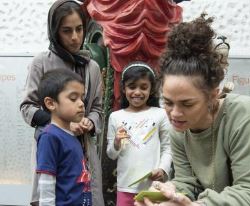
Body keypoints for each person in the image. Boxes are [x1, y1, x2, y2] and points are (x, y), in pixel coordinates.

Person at [134, 14, 250, 206]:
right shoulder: (179, 130)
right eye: (168, 102)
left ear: (213, 95)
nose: (174, 113)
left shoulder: (249, 117)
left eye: (187, 104)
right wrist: (168, 195)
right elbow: (187, 183)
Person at [19, 0, 104, 205]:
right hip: (53, 148)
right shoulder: (42, 62)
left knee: (85, 196)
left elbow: (97, 108)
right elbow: (27, 107)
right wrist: (62, 124)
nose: (75, 37)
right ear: (55, 31)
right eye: (67, 30)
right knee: (52, 194)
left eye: (79, 29)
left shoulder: (91, 66)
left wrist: (89, 123)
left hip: (83, 151)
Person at [106, 62, 172, 206]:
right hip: (125, 186)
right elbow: (111, 154)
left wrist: (162, 169)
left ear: (152, 89)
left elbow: (168, 147)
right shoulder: (116, 117)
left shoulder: (160, 114)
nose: (137, 92)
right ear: (123, 89)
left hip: (154, 187)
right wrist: (116, 142)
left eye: (143, 87)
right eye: (132, 86)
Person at [36, 69, 91, 205]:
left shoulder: (72, 135)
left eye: (82, 97)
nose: (81, 103)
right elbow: (46, 184)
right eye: (73, 98)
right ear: (51, 103)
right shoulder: (50, 137)